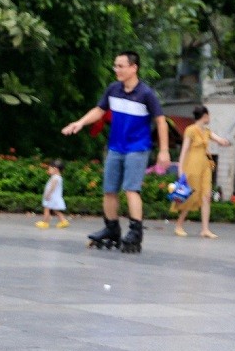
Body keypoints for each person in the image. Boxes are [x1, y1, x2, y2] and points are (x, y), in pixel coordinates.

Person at [62, 51, 169, 253]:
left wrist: (164, 150)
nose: (117, 70)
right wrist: (80, 122)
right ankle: (112, 228)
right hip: (115, 147)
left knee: (131, 189)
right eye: (115, 66)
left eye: (121, 66)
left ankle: (136, 231)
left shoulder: (146, 94)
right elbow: (99, 110)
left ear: (133, 68)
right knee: (109, 189)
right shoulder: (113, 89)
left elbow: (161, 121)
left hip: (137, 147)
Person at [172, 105, 231, 239]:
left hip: (205, 166)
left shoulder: (207, 131)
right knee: (190, 195)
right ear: (204, 116)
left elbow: (219, 139)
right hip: (192, 166)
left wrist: (225, 142)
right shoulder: (190, 130)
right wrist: (181, 170)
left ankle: (205, 229)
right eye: (208, 115)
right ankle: (179, 225)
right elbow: (184, 150)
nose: (209, 118)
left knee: (206, 196)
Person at [36, 159, 69, 229]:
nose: (48, 170)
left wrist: (48, 194)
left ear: (55, 169)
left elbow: (52, 187)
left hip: (51, 197)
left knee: (46, 209)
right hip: (55, 197)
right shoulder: (58, 177)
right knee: (56, 210)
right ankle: (63, 221)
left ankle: (45, 222)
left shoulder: (55, 178)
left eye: (50, 169)